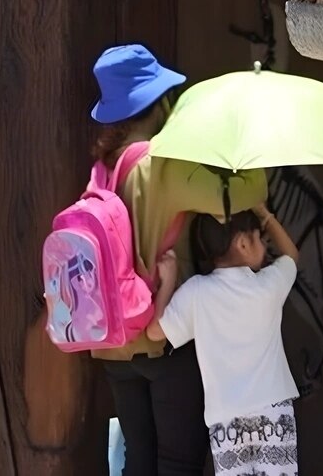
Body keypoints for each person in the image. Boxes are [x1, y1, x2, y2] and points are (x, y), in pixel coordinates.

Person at [87, 44, 267, 476]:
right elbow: (241, 195)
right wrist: (249, 147)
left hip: (114, 347)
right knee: (178, 463)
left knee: (139, 460)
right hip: (164, 337)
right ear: (159, 101)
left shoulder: (104, 169)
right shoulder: (160, 162)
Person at [146, 206, 301, 476]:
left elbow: (155, 332)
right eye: (259, 237)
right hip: (273, 410)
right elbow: (292, 256)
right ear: (242, 242)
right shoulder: (268, 286)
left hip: (225, 419)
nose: (264, 244)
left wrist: (168, 281)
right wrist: (265, 215)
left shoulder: (197, 292)